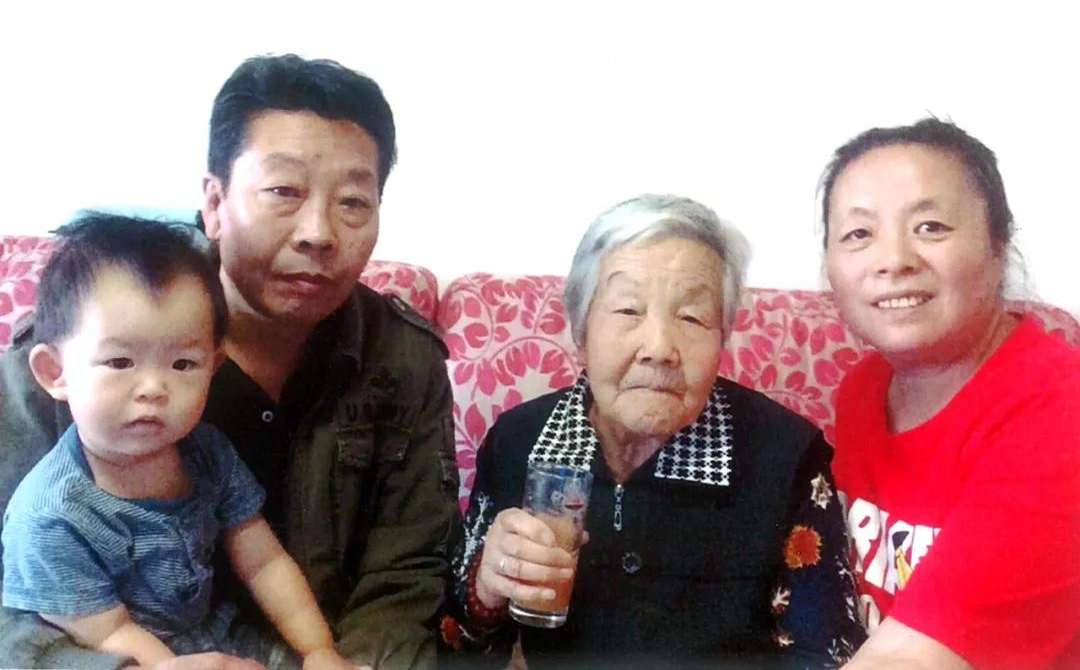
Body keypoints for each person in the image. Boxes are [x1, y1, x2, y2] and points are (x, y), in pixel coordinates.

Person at [0, 54, 460, 670]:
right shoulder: (78, 351)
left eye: (353, 201)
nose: (318, 233)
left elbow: (404, 576)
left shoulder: (404, 359)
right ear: (215, 202)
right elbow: (13, 607)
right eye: (284, 192)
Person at [443, 195, 866, 669]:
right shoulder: (518, 442)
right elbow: (456, 640)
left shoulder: (785, 457)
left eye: (691, 317)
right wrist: (486, 591)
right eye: (628, 310)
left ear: (723, 336)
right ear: (581, 329)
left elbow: (827, 652)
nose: (659, 348)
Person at [2, 214, 356, 670]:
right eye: (120, 361)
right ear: (55, 372)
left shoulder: (208, 453)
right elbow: (108, 632)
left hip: (224, 634)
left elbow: (264, 561)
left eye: (183, 365)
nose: (153, 388)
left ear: (213, 367)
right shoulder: (50, 517)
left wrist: (318, 649)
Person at [821, 118, 1080, 669]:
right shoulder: (864, 389)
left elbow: (911, 660)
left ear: (998, 248)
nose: (893, 260)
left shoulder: (1061, 411)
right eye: (859, 234)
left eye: (930, 227)